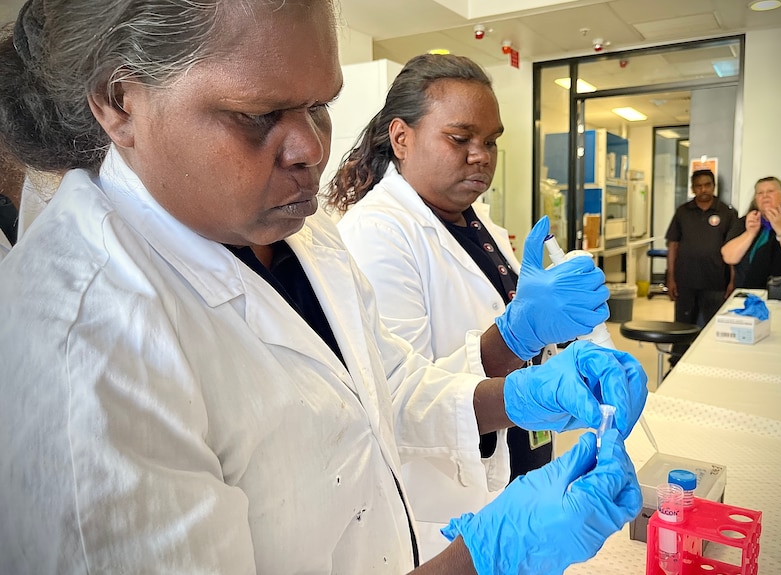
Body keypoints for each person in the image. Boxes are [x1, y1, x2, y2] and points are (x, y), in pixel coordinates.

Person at [0, 2, 647, 574]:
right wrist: (484, 557)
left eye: (319, 106)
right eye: (258, 114)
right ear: (120, 101)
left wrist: (524, 396)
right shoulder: (81, 351)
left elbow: (387, 385)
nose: (311, 147)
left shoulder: (302, 232)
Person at [327, 53, 622, 560]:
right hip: (448, 495)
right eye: (459, 139)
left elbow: (510, 326)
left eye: (490, 141)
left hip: (516, 463)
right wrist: (518, 337)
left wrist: (571, 343)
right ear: (402, 138)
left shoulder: (472, 219)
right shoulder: (377, 233)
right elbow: (404, 397)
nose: (480, 155)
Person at [664, 169, 737, 364]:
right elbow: (673, 245)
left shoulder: (728, 213)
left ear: (714, 187)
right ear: (693, 188)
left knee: (714, 327)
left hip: (716, 282)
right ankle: (676, 365)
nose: (703, 189)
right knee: (681, 326)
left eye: (707, 185)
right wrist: (670, 278)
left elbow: (734, 250)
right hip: (685, 280)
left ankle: (712, 363)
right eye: (699, 185)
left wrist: (733, 281)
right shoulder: (682, 212)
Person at [721, 176, 781, 289]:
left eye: (770, 191)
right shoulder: (746, 221)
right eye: (760, 193)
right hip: (748, 293)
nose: (765, 196)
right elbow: (729, 257)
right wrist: (750, 233)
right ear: (755, 200)